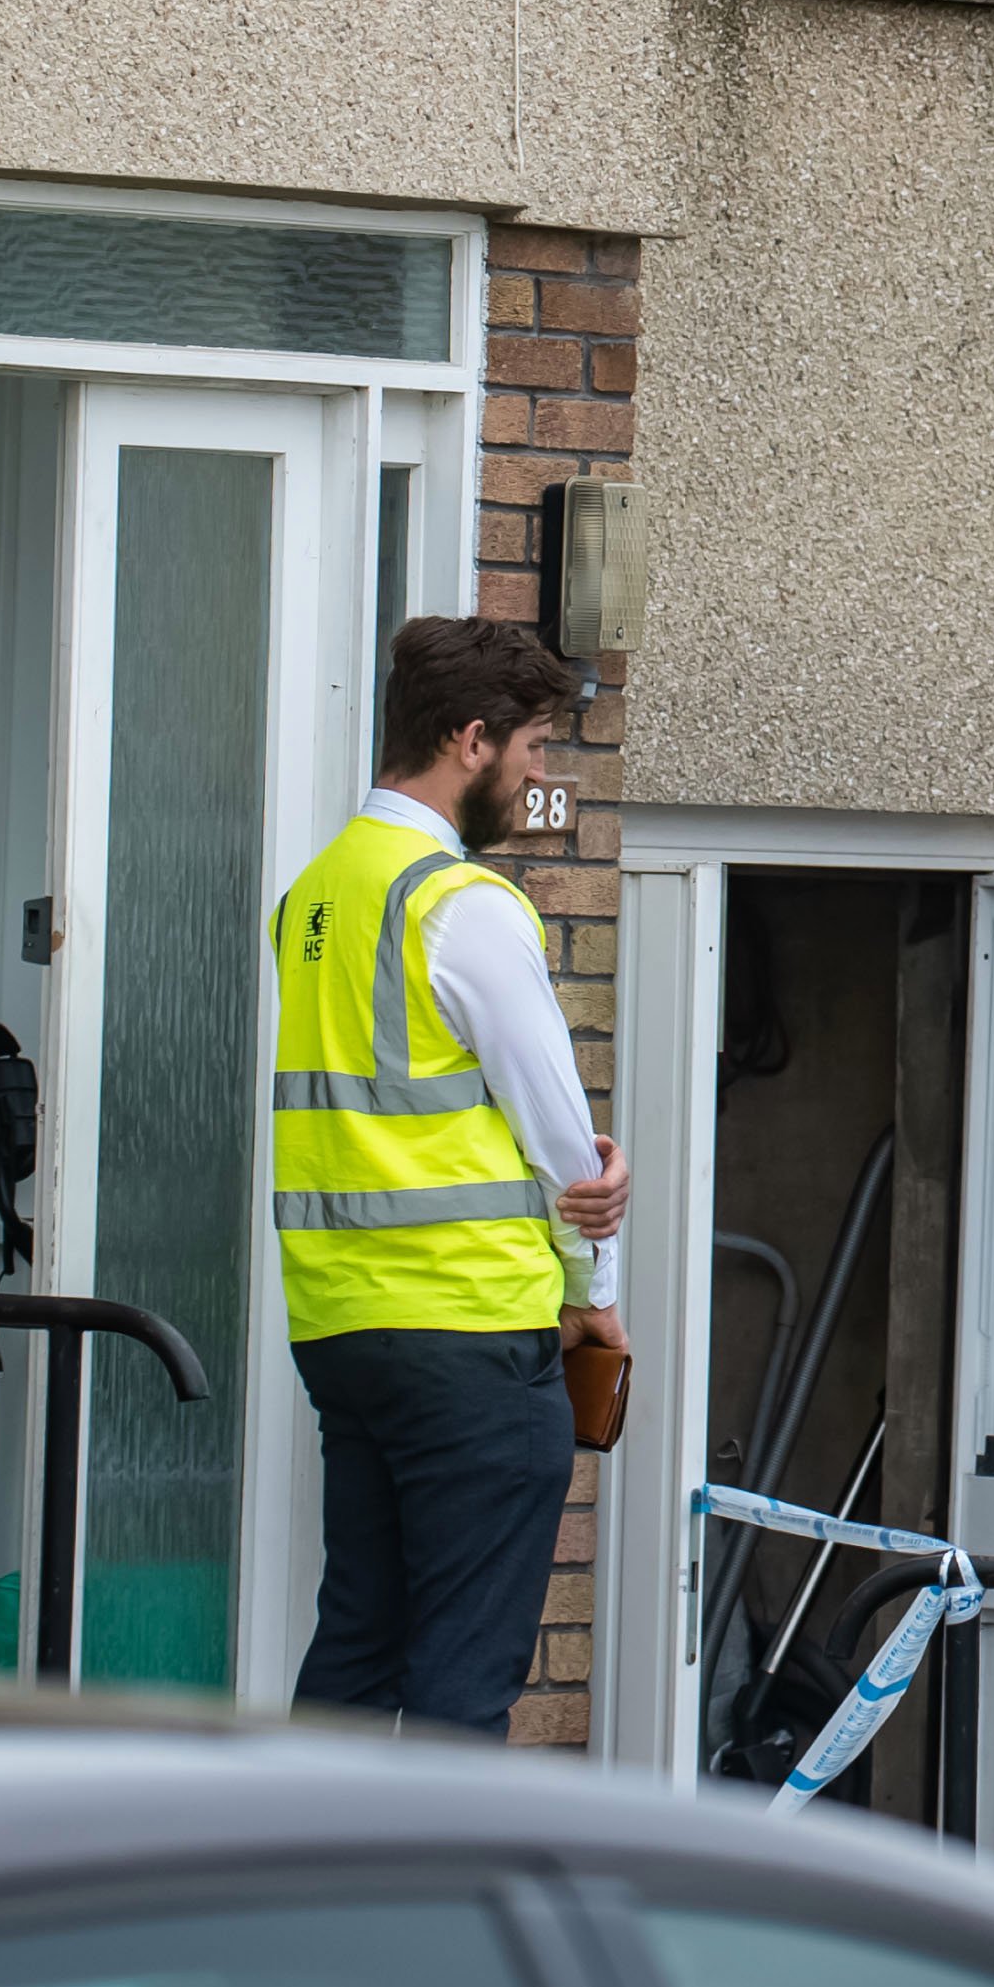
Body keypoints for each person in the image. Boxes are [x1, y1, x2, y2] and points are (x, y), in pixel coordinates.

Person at [271, 613, 629, 1732]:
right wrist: (596, 1294)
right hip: (471, 1331)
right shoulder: (462, 906)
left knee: (358, 1648)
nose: (538, 776)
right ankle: (427, 1906)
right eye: (531, 750)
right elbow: (562, 1142)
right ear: (471, 741)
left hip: (342, 1329)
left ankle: (289, 1900)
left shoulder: (316, 895)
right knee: (464, 1683)